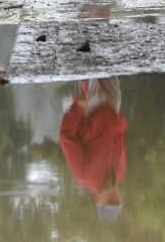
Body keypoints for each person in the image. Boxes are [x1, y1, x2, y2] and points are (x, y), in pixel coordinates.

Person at [60, 77, 128, 222]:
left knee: (86, 61)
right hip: (112, 106)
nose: (114, 197)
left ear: (98, 201)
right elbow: (120, 140)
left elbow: (67, 138)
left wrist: (78, 108)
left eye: (109, 201)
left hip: (89, 109)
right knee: (108, 61)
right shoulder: (120, 172)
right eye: (117, 201)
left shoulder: (83, 175)